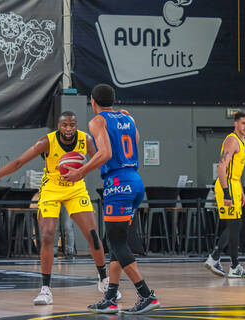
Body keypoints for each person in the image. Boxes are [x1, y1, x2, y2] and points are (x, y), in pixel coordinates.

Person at [0, 111, 120, 305]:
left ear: (76, 126)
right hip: (51, 189)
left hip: (76, 189)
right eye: (64, 125)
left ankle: (103, 279)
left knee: (92, 234)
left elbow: (102, 160)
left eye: (72, 125)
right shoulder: (46, 142)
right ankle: (45, 289)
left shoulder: (86, 140)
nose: (69, 129)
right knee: (48, 234)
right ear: (58, 126)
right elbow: (19, 162)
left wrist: (102, 176)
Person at [63, 84, 160, 314]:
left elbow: (105, 153)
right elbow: (134, 139)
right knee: (117, 241)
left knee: (117, 242)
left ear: (93, 102)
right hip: (135, 180)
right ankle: (110, 298)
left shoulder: (97, 121)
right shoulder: (128, 117)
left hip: (118, 183)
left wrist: (81, 172)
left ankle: (146, 295)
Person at [204, 110, 245, 278]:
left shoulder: (242, 140)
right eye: (243, 123)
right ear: (235, 123)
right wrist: (227, 193)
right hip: (226, 186)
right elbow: (221, 167)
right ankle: (223, 261)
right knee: (234, 225)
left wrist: (241, 192)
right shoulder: (232, 140)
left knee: (236, 225)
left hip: (234, 185)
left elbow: (236, 172)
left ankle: (227, 262)